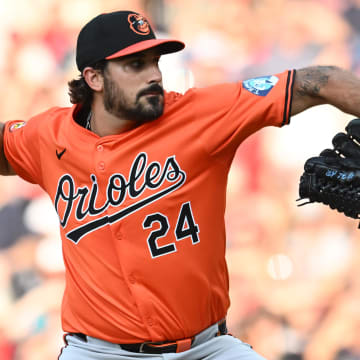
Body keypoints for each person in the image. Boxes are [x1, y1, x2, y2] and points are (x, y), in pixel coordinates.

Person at [1, 9, 360, 360]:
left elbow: (318, 80)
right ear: (94, 78)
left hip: (206, 347)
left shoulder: (201, 114)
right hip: (96, 351)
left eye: (155, 61)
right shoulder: (47, 137)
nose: (154, 75)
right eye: (135, 65)